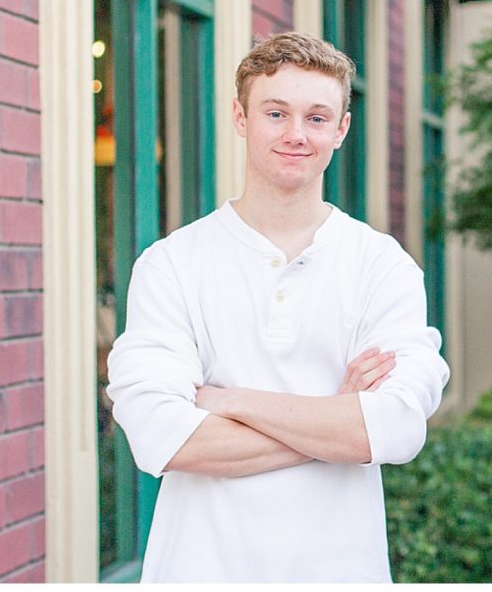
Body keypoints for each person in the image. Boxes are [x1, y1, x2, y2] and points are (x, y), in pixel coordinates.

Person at [106, 31, 450, 583]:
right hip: (200, 572)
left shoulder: (382, 266)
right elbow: (160, 437)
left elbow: (395, 429)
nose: (296, 134)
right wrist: (336, 419)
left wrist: (226, 399)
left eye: (317, 118)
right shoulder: (171, 264)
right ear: (241, 118)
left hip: (340, 572)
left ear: (341, 130)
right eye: (276, 113)